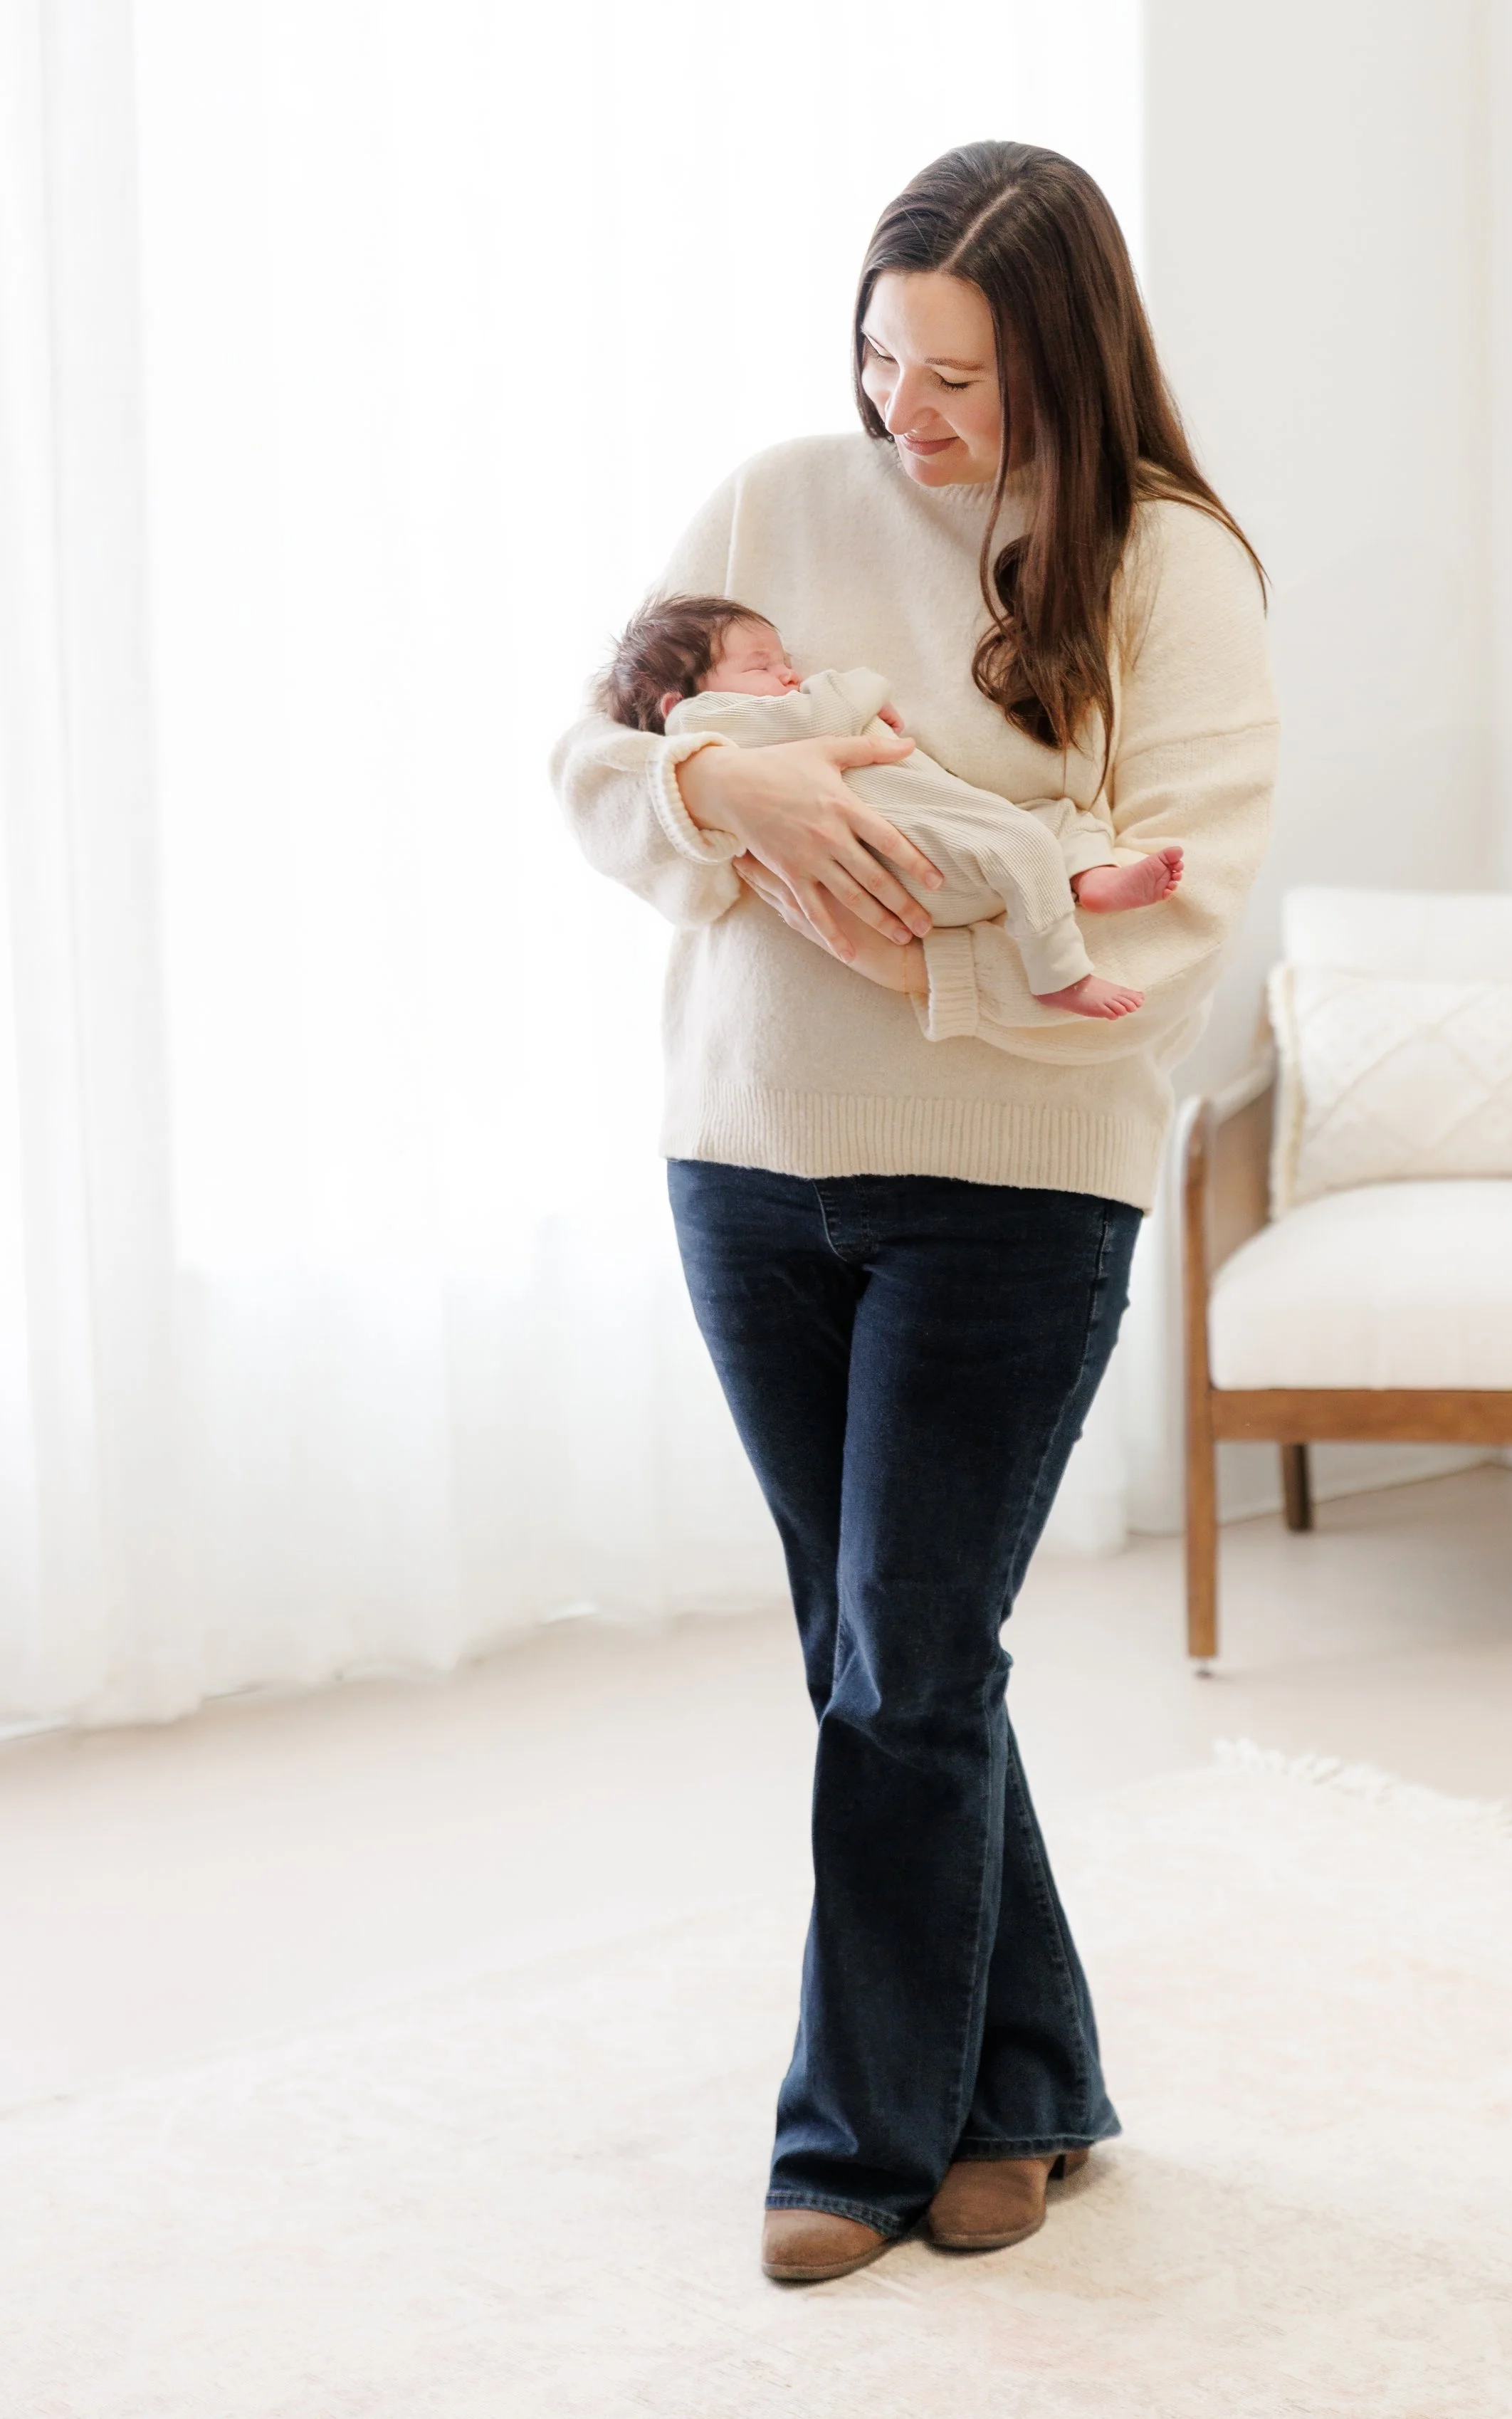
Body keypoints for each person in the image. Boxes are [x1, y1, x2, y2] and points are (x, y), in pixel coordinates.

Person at [551, 140, 1276, 2283]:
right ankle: (1021, 2085)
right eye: (882, 357)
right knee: (881, 1653)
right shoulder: (778, 498)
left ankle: (850, 2136)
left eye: (956, 376)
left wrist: (907, 956)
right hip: (744, 1164)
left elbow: (1178, 925)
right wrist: (718, 784)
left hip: (1006, 1196)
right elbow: (591, 762)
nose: (909, 418)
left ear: (1063, 354)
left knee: (904, 1664)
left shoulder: (1165, 564)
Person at [597, 590, 1186, 1017]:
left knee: (1055, 819)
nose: (788, 675)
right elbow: (820, 713)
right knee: (1023, 844)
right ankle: (1058, 973)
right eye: (761, 665)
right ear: (677, 704)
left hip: (940, 841)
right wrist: (862, 690)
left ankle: (1091, 875)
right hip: (916, 863)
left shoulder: (747, 716)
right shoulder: (705, 723)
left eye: (786, 662)